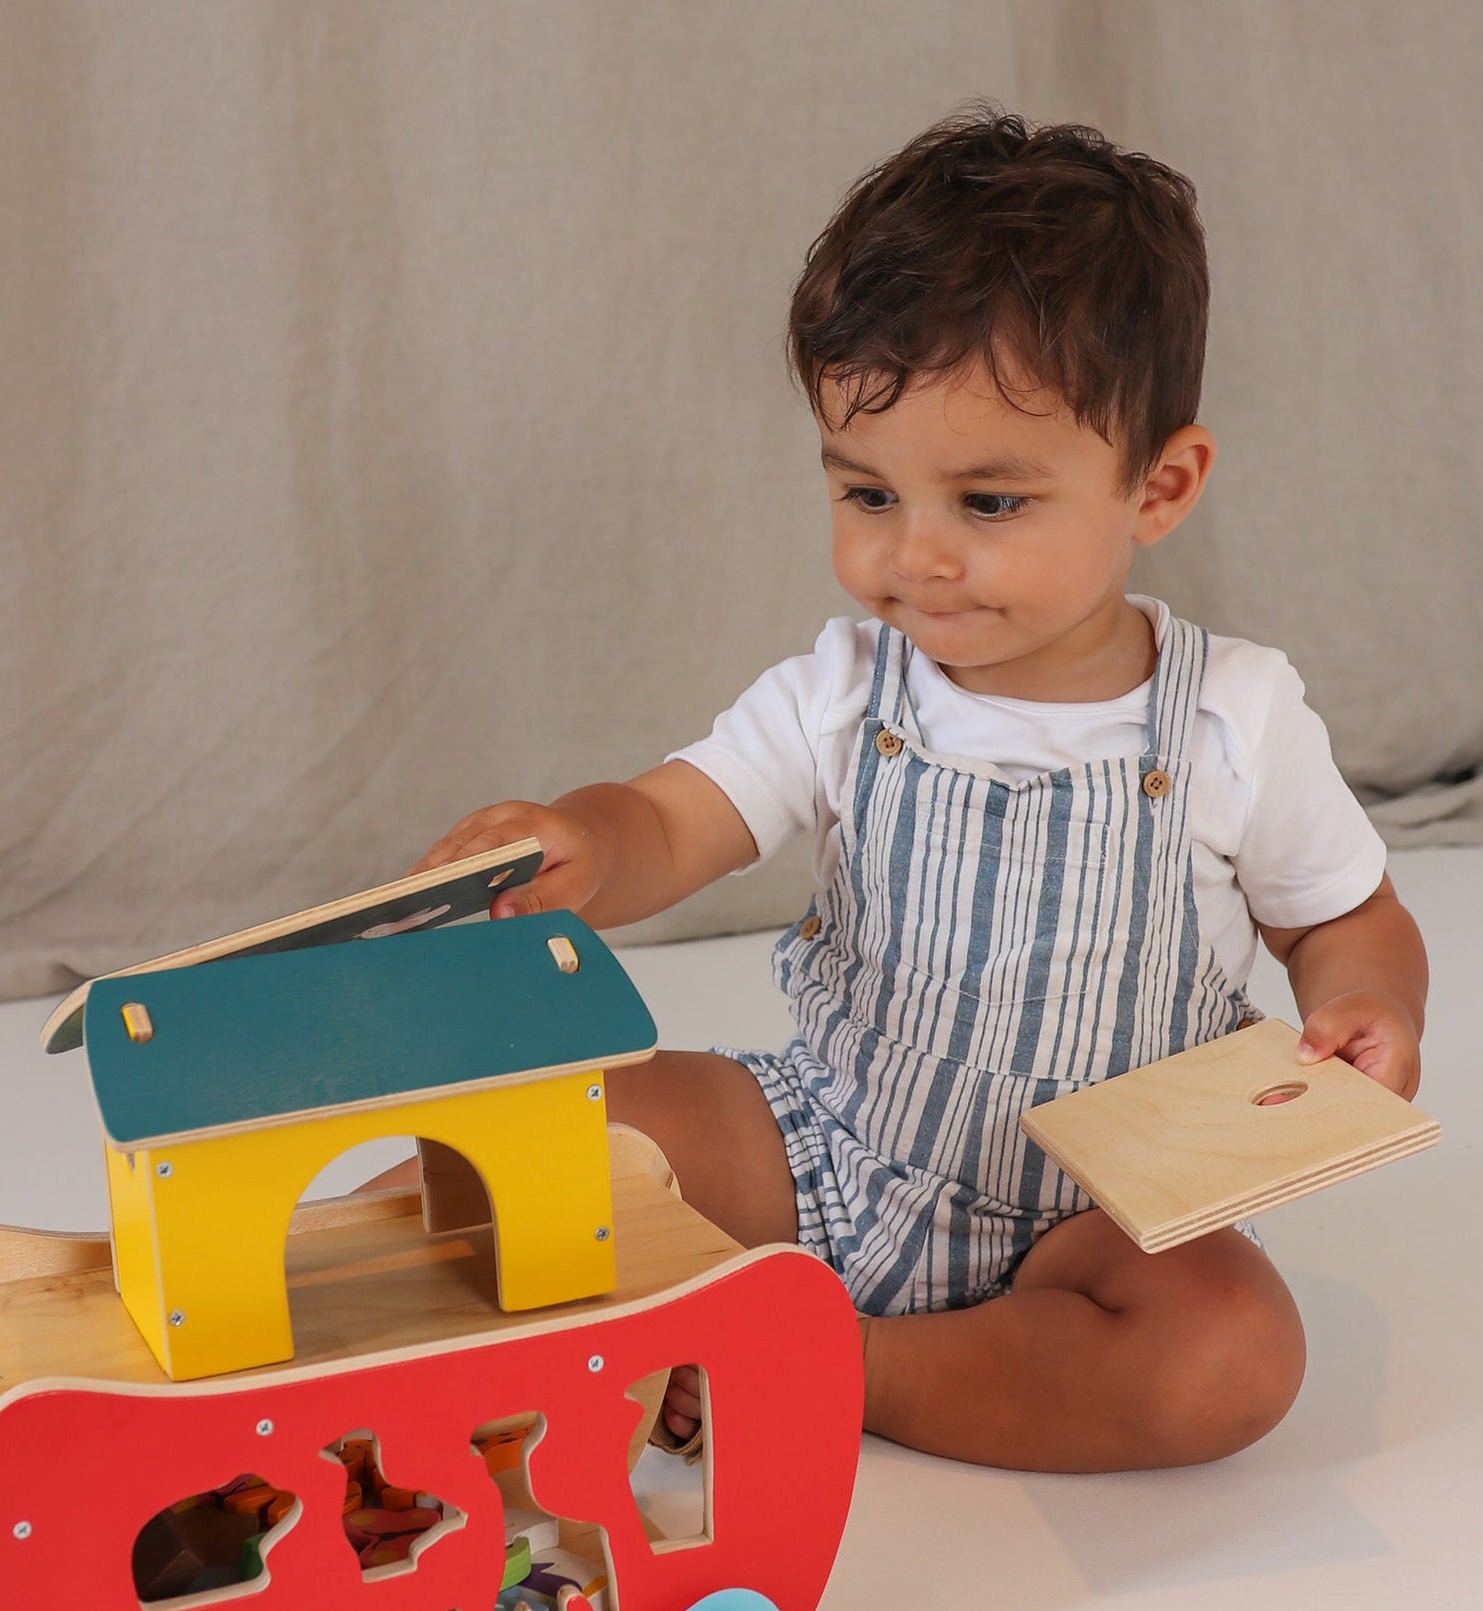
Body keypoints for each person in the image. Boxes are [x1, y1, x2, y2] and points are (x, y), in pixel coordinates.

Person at [406, 107, 1427, 1472]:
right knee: (548, 1133)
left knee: (1229, 1353)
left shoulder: (1234, 715)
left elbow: (1340, 917)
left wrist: (1366, 1002)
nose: (916, 557)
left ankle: (832, 1360)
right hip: (827, 1143)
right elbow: (671, 818)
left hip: (1098, 1214)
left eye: (987, 504)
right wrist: (581, 843)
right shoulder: (844, 688)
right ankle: (314, 1312)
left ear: (1159, 485)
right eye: (867, 494)